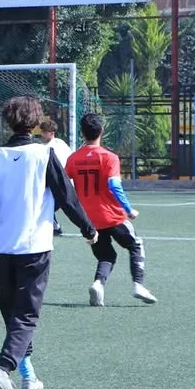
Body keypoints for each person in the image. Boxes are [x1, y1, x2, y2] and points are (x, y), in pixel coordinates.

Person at [0, 96, 97, 389]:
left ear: (8, 121)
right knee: (26, 316)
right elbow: (67, 197)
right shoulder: (44, 154)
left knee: (14, 317)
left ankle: (28, 376)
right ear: (35, 123)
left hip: (2, 248)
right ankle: (3, 368)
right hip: (35, 246)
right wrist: (88, 229)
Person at [65, 113, 158, 307]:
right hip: (112, 216)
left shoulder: (73, 159)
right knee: (135, 245)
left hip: (90, 220)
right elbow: (114, 186)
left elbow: (64, 185)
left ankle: (98, 284)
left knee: (106, 255)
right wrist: (129, 209)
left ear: (82, 133)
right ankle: (138, 284)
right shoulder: (109, 157)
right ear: (102, 131)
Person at [39, 117, 73, 237]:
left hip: (61, 183)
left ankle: (89, 228)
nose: (41, 134)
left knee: (44, 206)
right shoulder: (60, 143)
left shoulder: (51, 148)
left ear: (51, 133)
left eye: (44, 132)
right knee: (45, 205)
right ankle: (55, 227)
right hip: (63, 182)